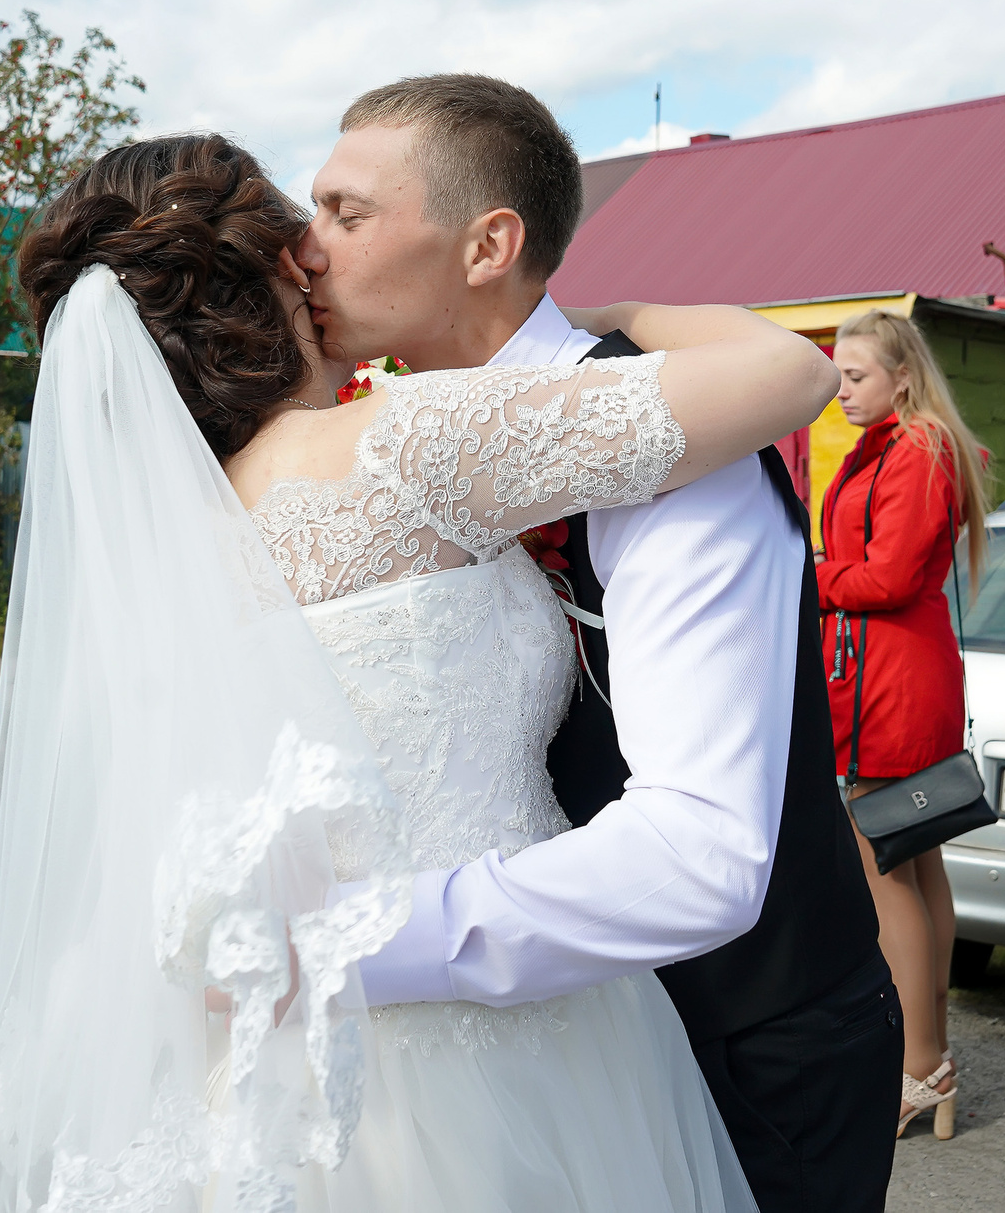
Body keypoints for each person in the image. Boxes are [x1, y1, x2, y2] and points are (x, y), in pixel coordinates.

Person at [0, 127, 847, 1213]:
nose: (322, 249)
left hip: (258, 1055)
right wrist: (612, 324)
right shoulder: (402, 445)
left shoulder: (163, 551)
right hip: (500, 1039)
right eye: (309, 225)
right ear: (277, 274)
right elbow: (789, 370)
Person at [299, 76, 899, 1211]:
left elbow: (699, 857)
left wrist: (339, 947)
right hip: (519, 1050)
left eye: (346, 212)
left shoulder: (672, 441)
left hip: (743, 1042)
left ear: (488, 245)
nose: (306, 249)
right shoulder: (377, 450)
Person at [815, 307, 988, 1139]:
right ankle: (932, 1058)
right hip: (890, 671)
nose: (838, 390)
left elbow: (883, 578)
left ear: (902, 377)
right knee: (914, 866)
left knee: (888, 868)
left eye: (854, 377)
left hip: (895, 679)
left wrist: (810, 574)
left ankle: (920, 1067)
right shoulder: (897, 445)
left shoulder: (917, 450)